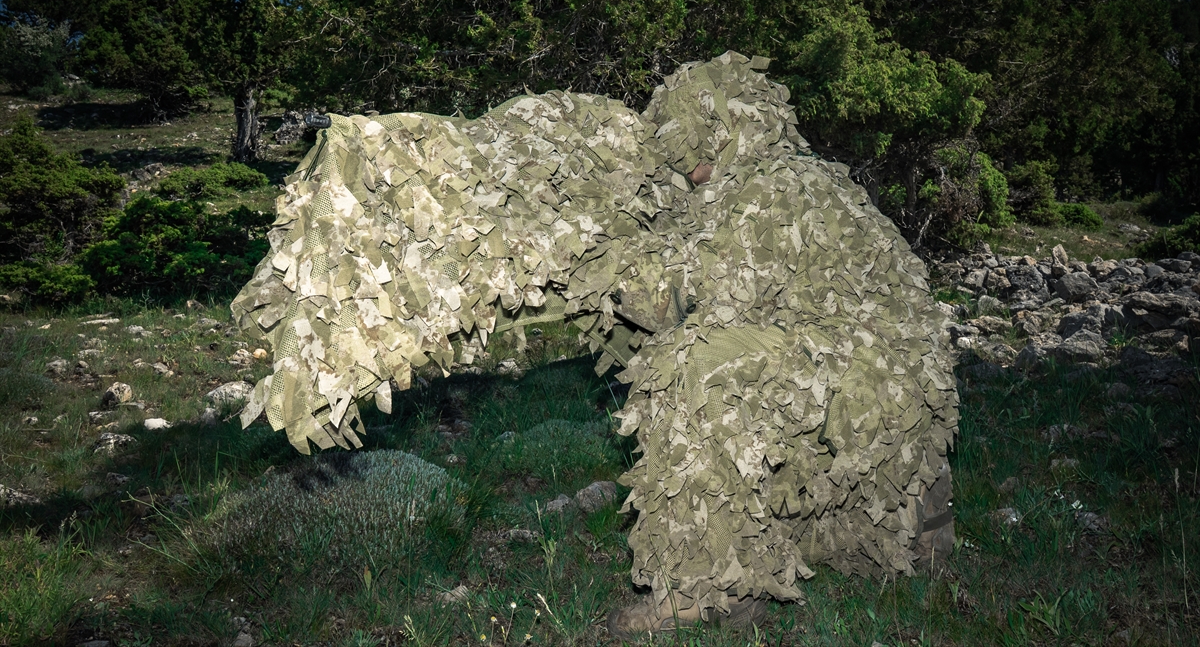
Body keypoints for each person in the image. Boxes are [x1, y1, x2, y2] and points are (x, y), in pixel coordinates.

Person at [230, 52, 958, 638]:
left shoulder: (767, 186)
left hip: (858, 369)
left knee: (689, 372)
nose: (688, 172)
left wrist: (584, 262)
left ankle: (707, 590)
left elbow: (688, 294)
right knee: (737, 361)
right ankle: (911, 512)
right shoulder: (820, 179)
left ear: (724, 130)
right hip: (903, 378)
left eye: (693, 155)